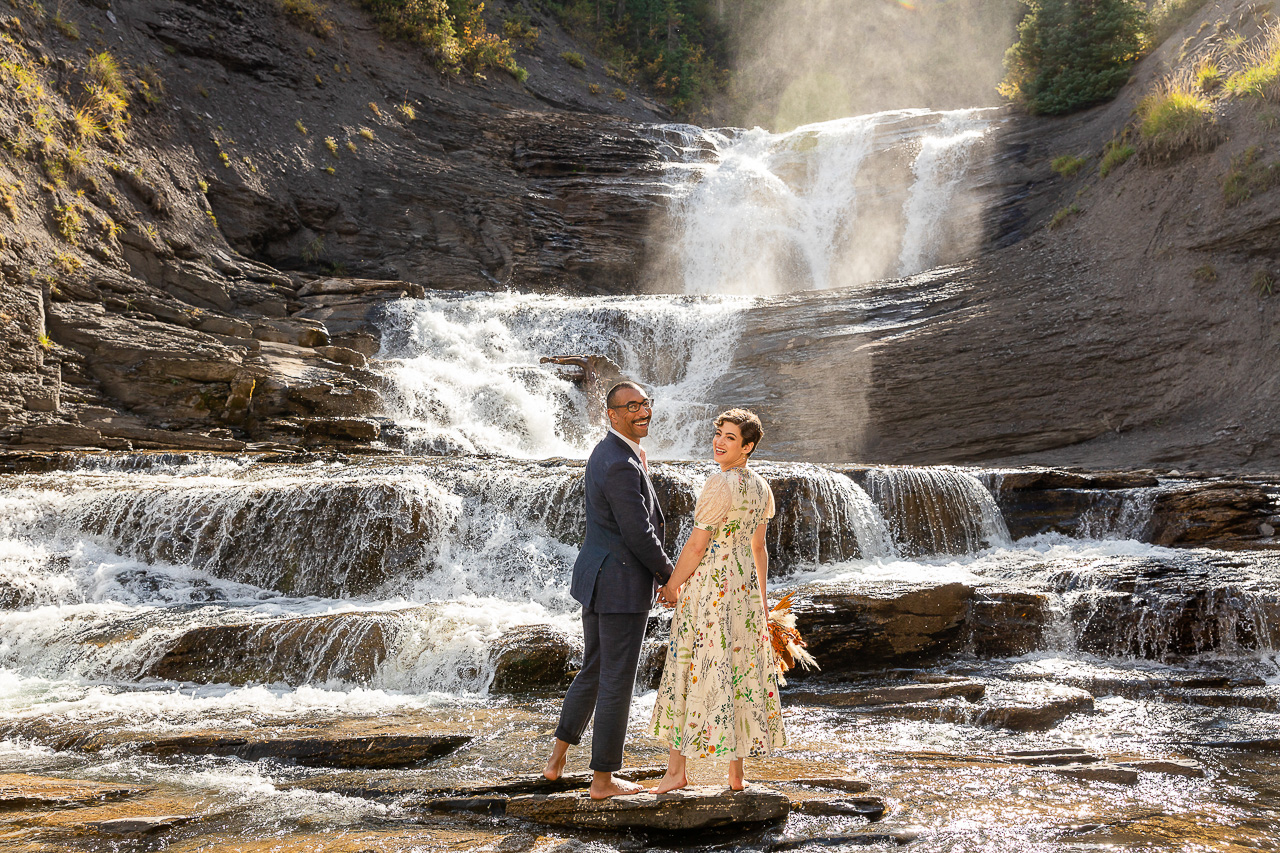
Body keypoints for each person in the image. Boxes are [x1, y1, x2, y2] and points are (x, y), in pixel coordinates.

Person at [543, 381, 674, 799]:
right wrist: (669, 577)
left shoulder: (609, 452)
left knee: (596, 669)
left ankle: (557, 757)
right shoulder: (621, 462)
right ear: (611, 414)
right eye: (630, 406)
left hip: (599, 579)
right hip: (619, 584)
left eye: (644, 404)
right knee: (617, 679)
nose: (641, 411)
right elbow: (638, 531)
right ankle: (603, 780)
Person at [648, 408, 783, 793]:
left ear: (748, 446)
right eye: (719, 434)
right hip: (742, 593)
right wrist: (760, 598)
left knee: (693, 668)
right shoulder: (761, 487)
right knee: (738, 672)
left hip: (711, 588)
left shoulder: (718, 485)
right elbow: (759, 549)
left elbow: (696, 545)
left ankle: (676, 773)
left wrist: (673, 585)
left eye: (729, 438)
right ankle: (736, 776)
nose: (719, 442)